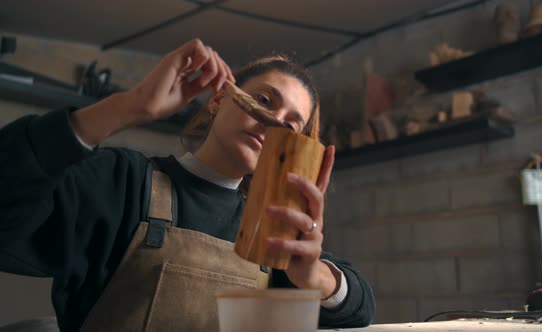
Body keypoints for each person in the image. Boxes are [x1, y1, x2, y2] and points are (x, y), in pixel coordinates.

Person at [0, 38, 375, 331]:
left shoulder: (270, 232)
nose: (272, 121)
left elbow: (359, 308)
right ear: (216, 100)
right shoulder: (122, 183)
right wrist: (128, 107)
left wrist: (315, 277)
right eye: (263, 99)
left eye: (291, 124)